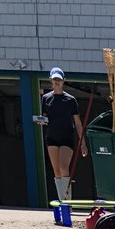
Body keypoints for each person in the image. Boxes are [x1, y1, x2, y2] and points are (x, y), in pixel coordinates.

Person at [39, 68, 87, 201]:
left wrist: (83, 143)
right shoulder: (46, 98)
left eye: (59, 79)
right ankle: (61, 201)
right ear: (51, 81)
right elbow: (44, 116)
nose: (57, 82)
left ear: (63, 81)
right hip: (52, 137)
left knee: (63, 167)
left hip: (67, 137)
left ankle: (67, 200)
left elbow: (77, 122)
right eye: (54, 80)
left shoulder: (70, 100)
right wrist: (41, 121)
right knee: (56, 171)